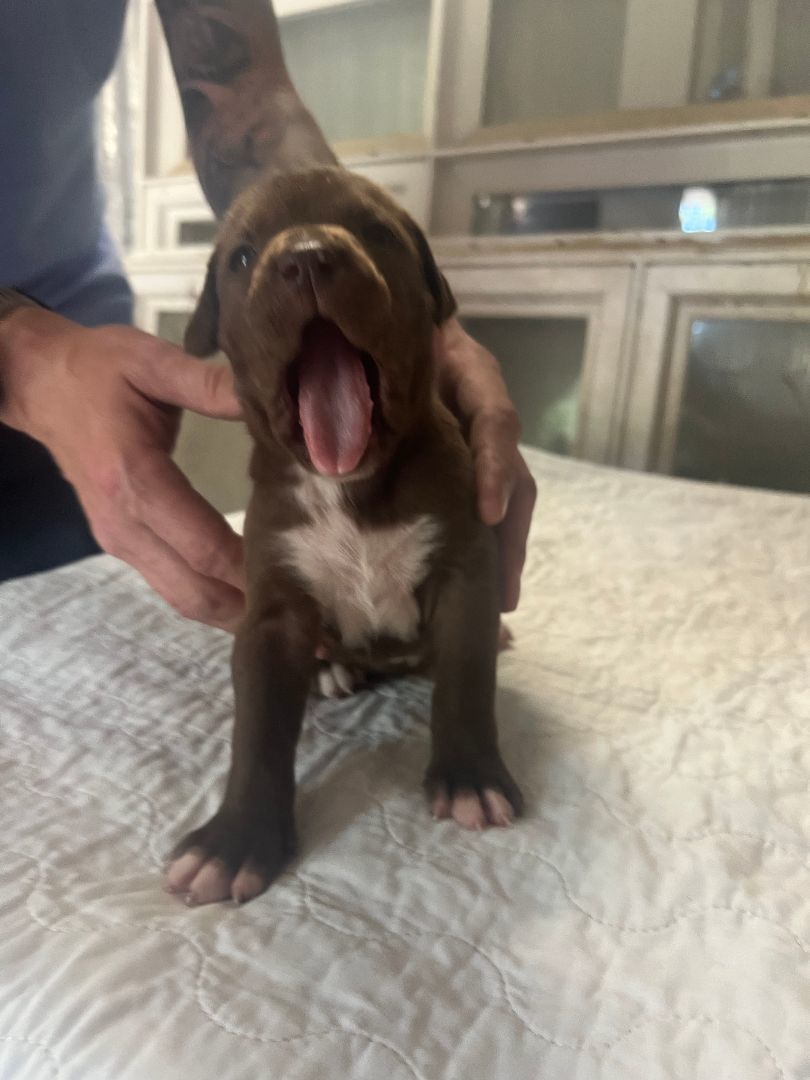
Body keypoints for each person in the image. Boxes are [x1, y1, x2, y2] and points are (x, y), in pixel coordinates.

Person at [0, 0, 536, 631]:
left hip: (75, 372)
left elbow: (250, 112)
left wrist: (401, 313)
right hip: (48, 363)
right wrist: (21, 355)